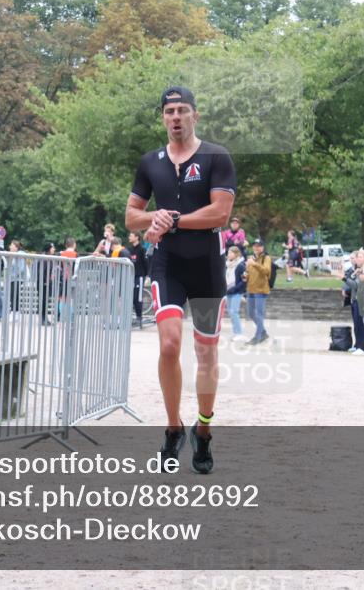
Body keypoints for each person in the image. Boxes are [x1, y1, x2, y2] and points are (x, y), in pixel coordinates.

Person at [124, 86, 236, 475]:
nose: (175, 117)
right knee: (170, 345)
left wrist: (171, 219)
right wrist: (152, 218)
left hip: (206, 264)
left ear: (195, 116)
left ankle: (202, 431)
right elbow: (131, 216)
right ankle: (173, 427)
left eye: (182, 110)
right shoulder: (150, 162)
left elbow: (221, 213)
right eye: (169, 111)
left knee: (206, 352)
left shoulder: (216, 156)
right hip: (168, 263)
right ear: (162, 117)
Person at [244, 239, 272, 346]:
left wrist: (254, 264)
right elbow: (249, 273)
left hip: (261, 290)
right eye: (255, 246)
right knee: (251, 313)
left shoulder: (266, 258)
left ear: (262, 247)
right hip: (250, 289)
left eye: (259, 246)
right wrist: (245, 275)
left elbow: (266, 271)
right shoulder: (251, 258)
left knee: (259, 314)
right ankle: (263, 332)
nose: (256, 248)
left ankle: (258, 337)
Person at [342, 250, 364, 349]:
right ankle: (357, 344)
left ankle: (361, 345)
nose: (357, 259)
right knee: (357, 324)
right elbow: (351, 283)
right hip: (354, 299)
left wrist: (343, 278)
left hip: (361, 300)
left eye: (360, 257)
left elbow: (355, 285)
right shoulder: (356, 270)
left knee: (360, 325)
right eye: (357, 257)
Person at [224, 246, 247, 342]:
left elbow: (244, 281)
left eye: (230, 253)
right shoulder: (228, 265)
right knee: (230, 312)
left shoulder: (240, 265)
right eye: (228, 253)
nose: (228, 255)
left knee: (234, 312)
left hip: (236, 292)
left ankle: (239, 333)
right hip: (228, 292)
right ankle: (235, 332)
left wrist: (234, 289)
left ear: (236, 254)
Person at [128, 232, 148, 328]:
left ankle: (139, 318)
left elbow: (146, 263)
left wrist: (147, 276)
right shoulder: (130, 249)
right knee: (131, 297)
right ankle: (133, 318)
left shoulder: (142, 249)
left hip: (139, 276)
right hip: (131, 276)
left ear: (137, 237)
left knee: (138, 298)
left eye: (131, 235)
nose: (129, 237)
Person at [7, 240, 28, 318]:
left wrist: (15, 274)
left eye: (11, 245)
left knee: (14, 295)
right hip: (13, 278)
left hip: (17, 279)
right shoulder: (13, 255)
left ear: (16, 247)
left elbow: (21, 268)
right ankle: (14, 312)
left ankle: (15, 312)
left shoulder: (19, 255)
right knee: (13, 295)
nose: (10, 246)